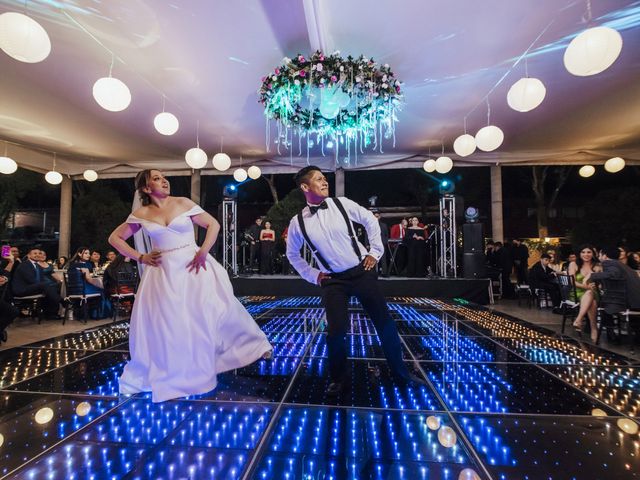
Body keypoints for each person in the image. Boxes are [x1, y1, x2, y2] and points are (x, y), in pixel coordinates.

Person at [108, 169, 271, 402]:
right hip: (162, 273)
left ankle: (247, 347)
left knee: (209, 311)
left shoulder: (183, 203)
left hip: (193, 266)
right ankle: (178, 367)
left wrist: (203, 252)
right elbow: (114, 238)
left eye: (163, 176)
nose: (163, 180)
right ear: (145, 188)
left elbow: (213, 225)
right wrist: (140, 257)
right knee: (170, 322)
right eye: (156, 178)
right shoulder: (141, 213)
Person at [285, 166, 425, 397]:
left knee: (384, 323)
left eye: (324, 178)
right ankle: (338, 380)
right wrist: (314, 275)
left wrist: (375, 252)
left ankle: (402, 375)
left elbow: (370, 220)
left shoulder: (342, 203)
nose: (325, 182)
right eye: (319, 179)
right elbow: (292, 254)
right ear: (305, 186)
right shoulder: (297, 222)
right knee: (336, 333)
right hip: (332, 281)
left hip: (361, 272)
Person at [588, 245, 640, 342]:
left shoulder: (609, 263)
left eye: (600, 254)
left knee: (601, 303)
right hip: (635, 300)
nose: (599, 256)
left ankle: (610, 333)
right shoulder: (623, 266)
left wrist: (593, 275)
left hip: (626, 302)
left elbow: (612, 274)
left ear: (605, 255)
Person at [11, 246, 64, 319]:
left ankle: (50, 313)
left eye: (39, 253)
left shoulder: (37, 266)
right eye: (35, 253)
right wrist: (45, 285)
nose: (37, 255)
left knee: (52, 287)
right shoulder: (24, 265)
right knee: (45, 286)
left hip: (32, 287)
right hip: (22, 289)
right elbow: (31, 280)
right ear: (29, 255)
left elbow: (41, 280)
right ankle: (62, 301)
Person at [568, 245, 600, 342]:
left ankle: (578, 320)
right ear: (579, 254)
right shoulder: (573, 264)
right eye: (583, 252)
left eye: (589, 252)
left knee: (590, 293)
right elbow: (572, 282)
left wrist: (596, 286)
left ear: (593, 254)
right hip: (577, 292)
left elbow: (601, 283)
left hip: (594, 291)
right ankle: (594, 328)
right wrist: (586, 287)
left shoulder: (597, 266)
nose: (586, 254)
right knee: (592, 302)